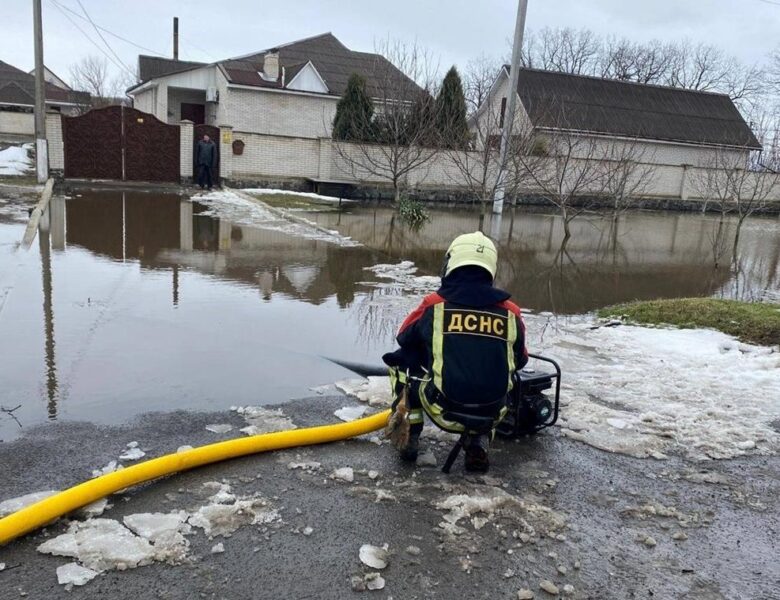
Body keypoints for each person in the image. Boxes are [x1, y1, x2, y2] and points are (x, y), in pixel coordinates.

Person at [383, 232, 528, 473]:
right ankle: (478, 443)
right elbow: (520, 359)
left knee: (401, 364)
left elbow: (404, 337)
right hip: (493, 413)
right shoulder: (511, 312)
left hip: (443, 409)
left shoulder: (434, 304)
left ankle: (410, 435)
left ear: (452, 262)